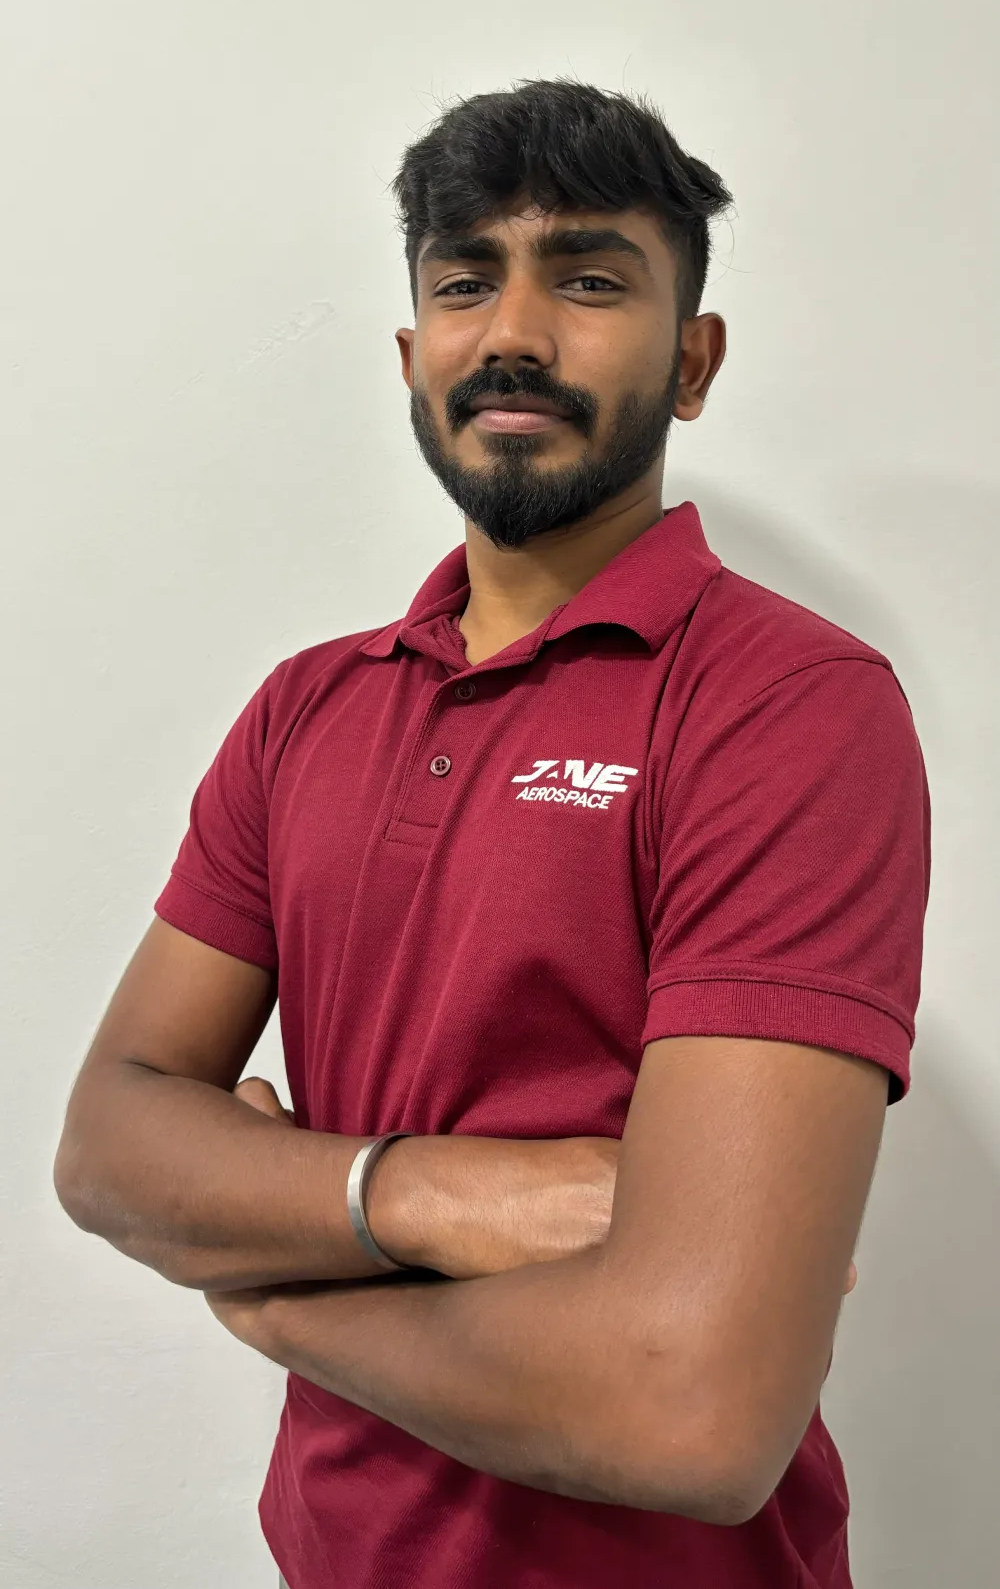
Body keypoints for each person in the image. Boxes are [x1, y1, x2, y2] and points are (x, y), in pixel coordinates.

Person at [54, 79, 931, 1589]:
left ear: (696, 358)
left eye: (590, 278)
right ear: (413, 354)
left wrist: (276, 1297)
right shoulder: (303, 711)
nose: (512, 330)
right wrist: (448, 1193)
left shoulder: (789, 705)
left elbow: (693, 1409)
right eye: (465, 280)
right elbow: (110, 1140)